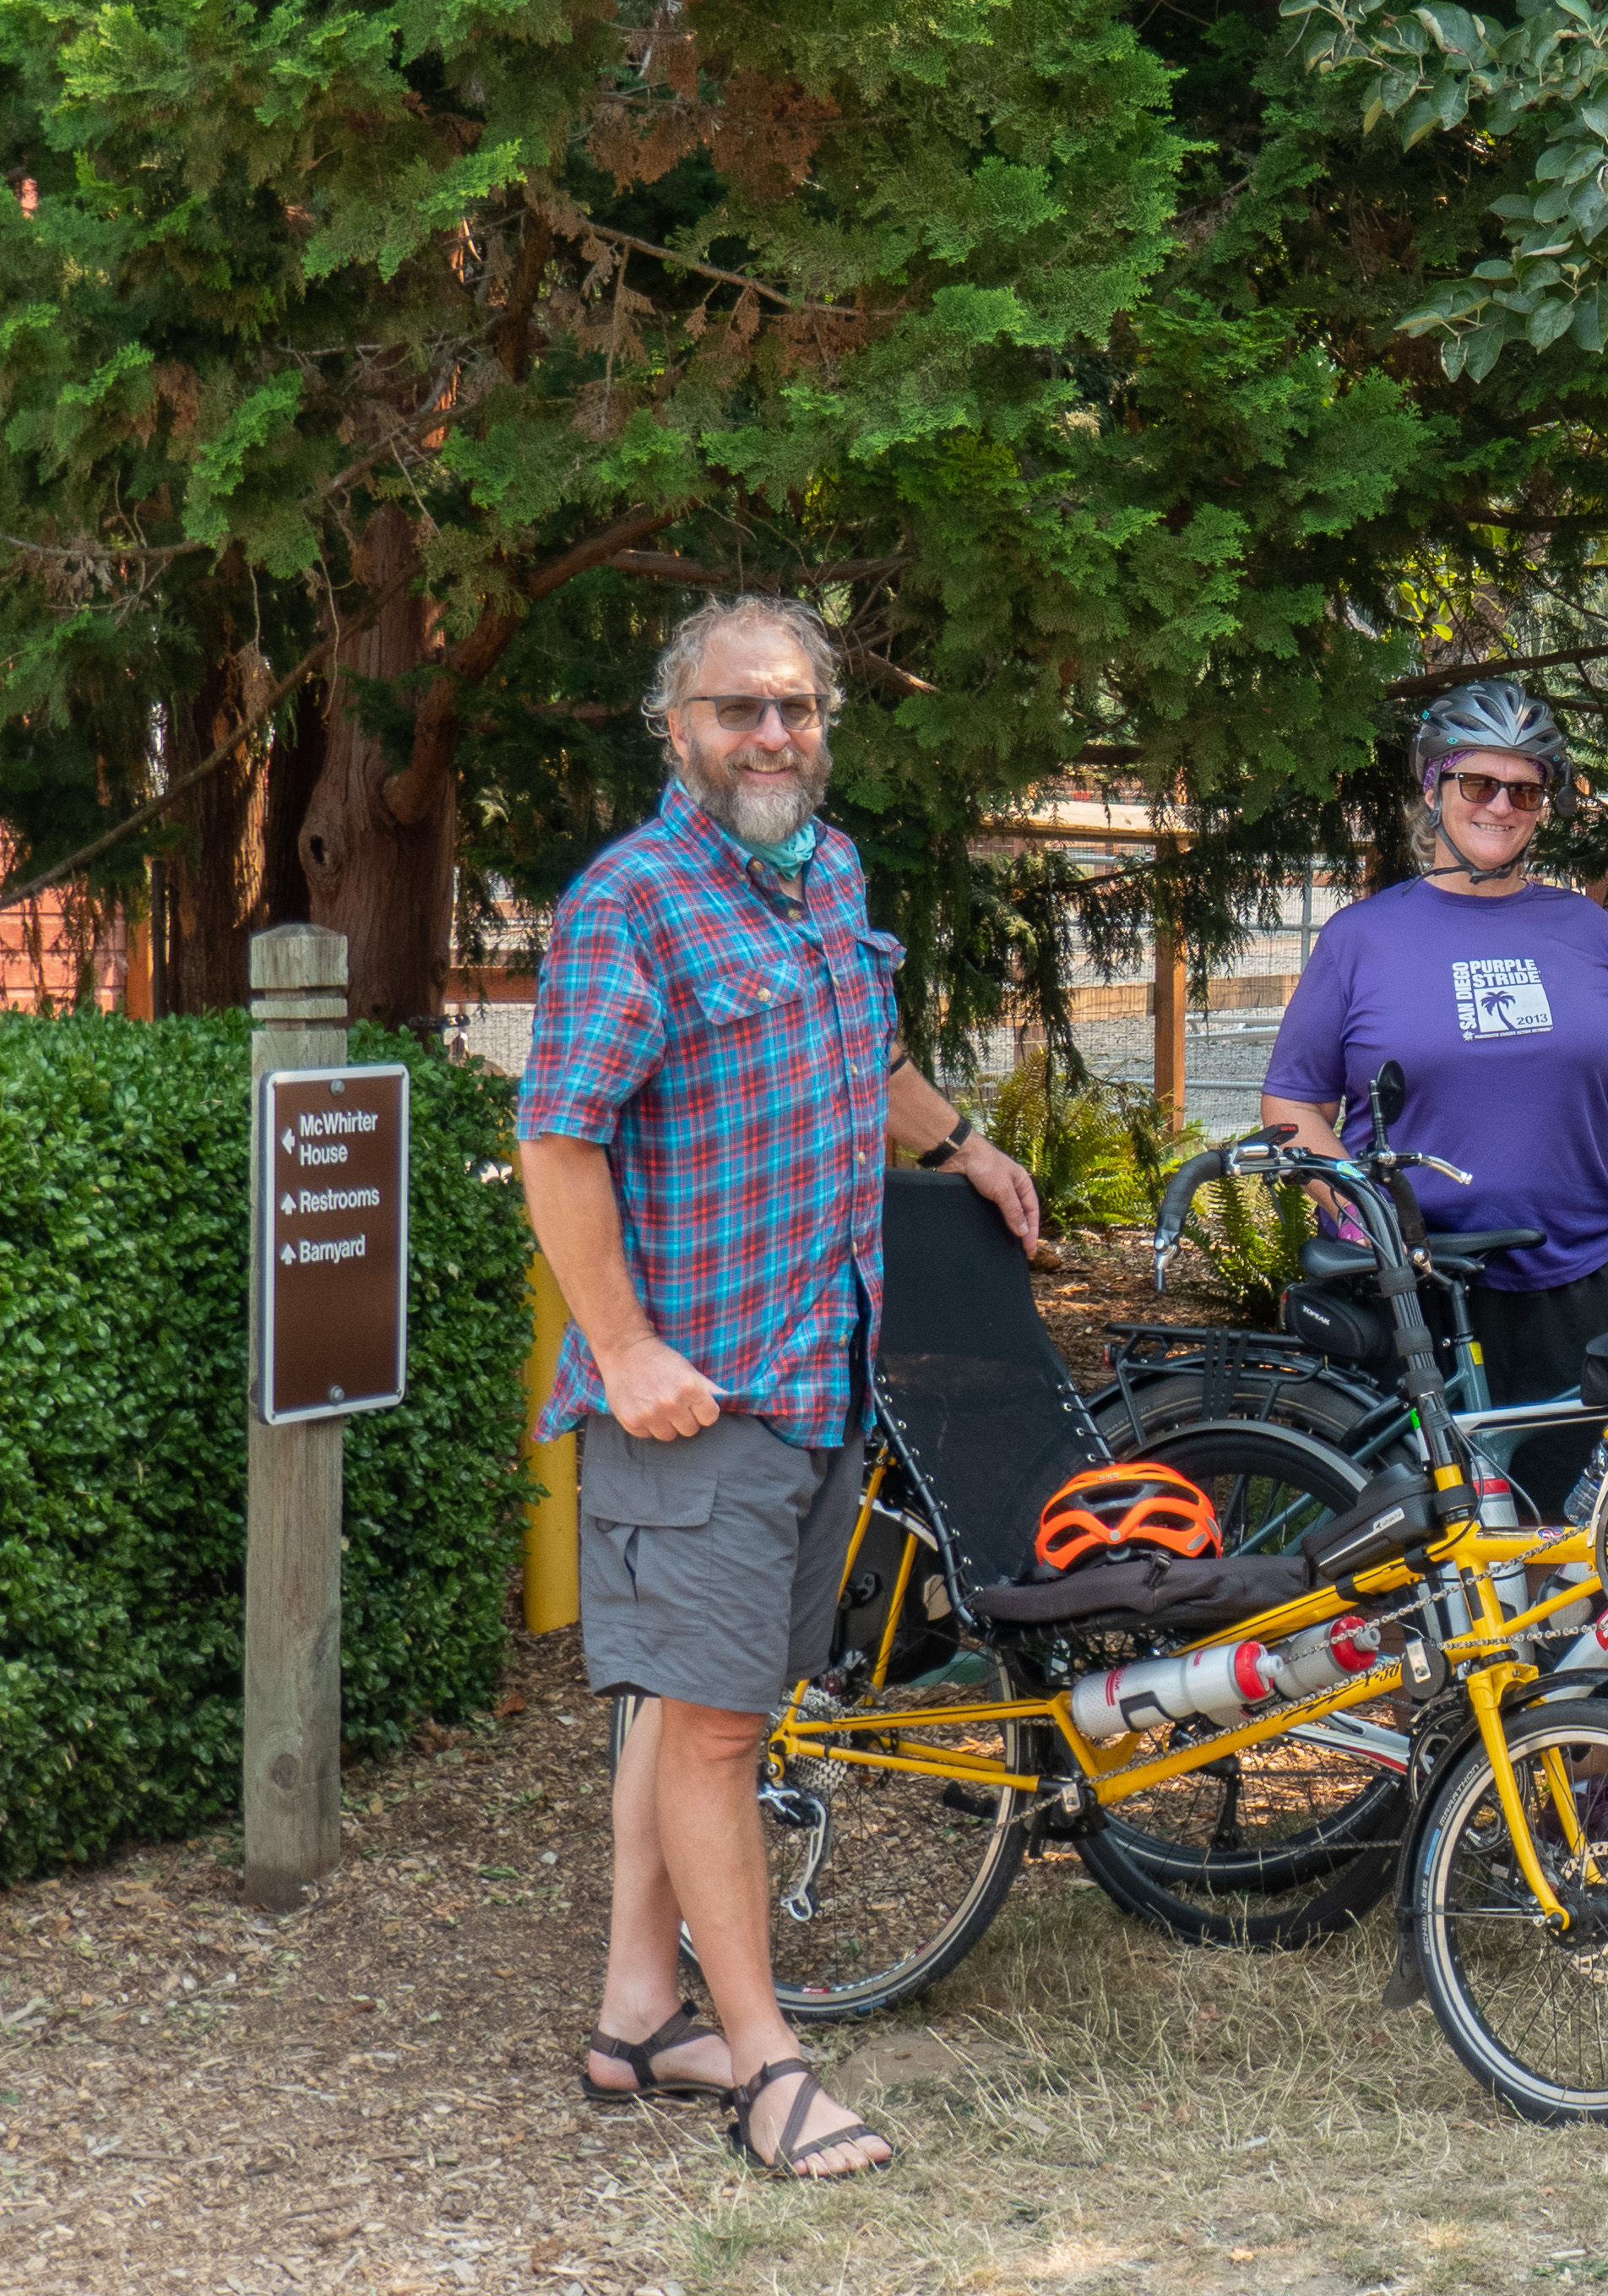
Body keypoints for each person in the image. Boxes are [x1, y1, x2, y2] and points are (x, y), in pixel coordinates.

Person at [519, 596, 1045, 2183]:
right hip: (695, 1395)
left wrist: (958, 1143)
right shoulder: (635, 901)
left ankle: (636, 2015)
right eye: (739, 708)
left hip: (824, 1363)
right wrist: (624, 1348)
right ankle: (765, 2060)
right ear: (671, 723)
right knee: (718, 1735)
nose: (772, 733)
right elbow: (558, 1136)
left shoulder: (828, 871)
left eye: (797, 707)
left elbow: (859, 1049)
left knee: (695, 1709)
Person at [1258, 678, 1608, 1520]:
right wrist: (1369, 1221)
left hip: (1588, 1276)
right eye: (1479, 784)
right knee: (1428, 1539)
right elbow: (1292, 1104)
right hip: (1419, 1285)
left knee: (1564, 1536)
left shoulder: (1587, 931)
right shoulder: (1362, 938)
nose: (1501, 806)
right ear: (1432, 786)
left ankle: (1555, 1658)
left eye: (1526, 788)